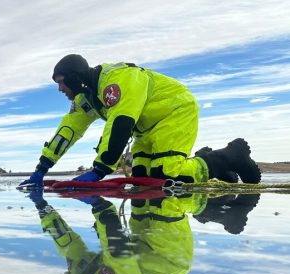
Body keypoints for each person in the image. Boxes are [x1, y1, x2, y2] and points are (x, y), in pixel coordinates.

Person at [20, 54, 261, 187]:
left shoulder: (116, 80)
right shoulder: (86, 98)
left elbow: (120, 123)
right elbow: (67, 131)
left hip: (174, 110)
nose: (60, 88)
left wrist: (100, 170)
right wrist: (42, 167)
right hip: (146, 129)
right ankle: (217, 168)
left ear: (75, 78)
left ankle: (231, 155)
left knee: (165, 175)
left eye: (61, 81)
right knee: (143, 178)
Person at [29, 188, 259, 274]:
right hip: (168, 261)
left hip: (140, 246)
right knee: (167, 201)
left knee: (143, 197)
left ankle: (219, 198)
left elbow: (67, 244)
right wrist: (100, 207)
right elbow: (118, 250)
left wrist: (42, 207)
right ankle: (226, 211)